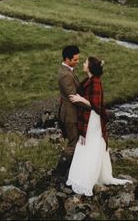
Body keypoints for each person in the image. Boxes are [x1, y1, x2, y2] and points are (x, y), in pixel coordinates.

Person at [66, 56, 131, 196]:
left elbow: (96, 106)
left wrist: (80, 99)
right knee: (86, 145)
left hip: (93, 120)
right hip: (89, 119)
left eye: (85, 63)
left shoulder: (95, 82)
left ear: (90, 67)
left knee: (90, 146)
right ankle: (81, 176)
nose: (83, 64)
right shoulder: (89, 80)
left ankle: (86, 180)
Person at [53, 45, 86, 180]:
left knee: (74, 141)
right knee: (73, 143)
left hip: (69, 112)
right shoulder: (65, 75)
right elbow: (73, 97)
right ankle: (59, 172)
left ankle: (71, 169)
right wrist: (92, 106)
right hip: (70, 114)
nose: (78, 61)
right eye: (75, 59)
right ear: (67, 59)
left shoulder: (68, 70)